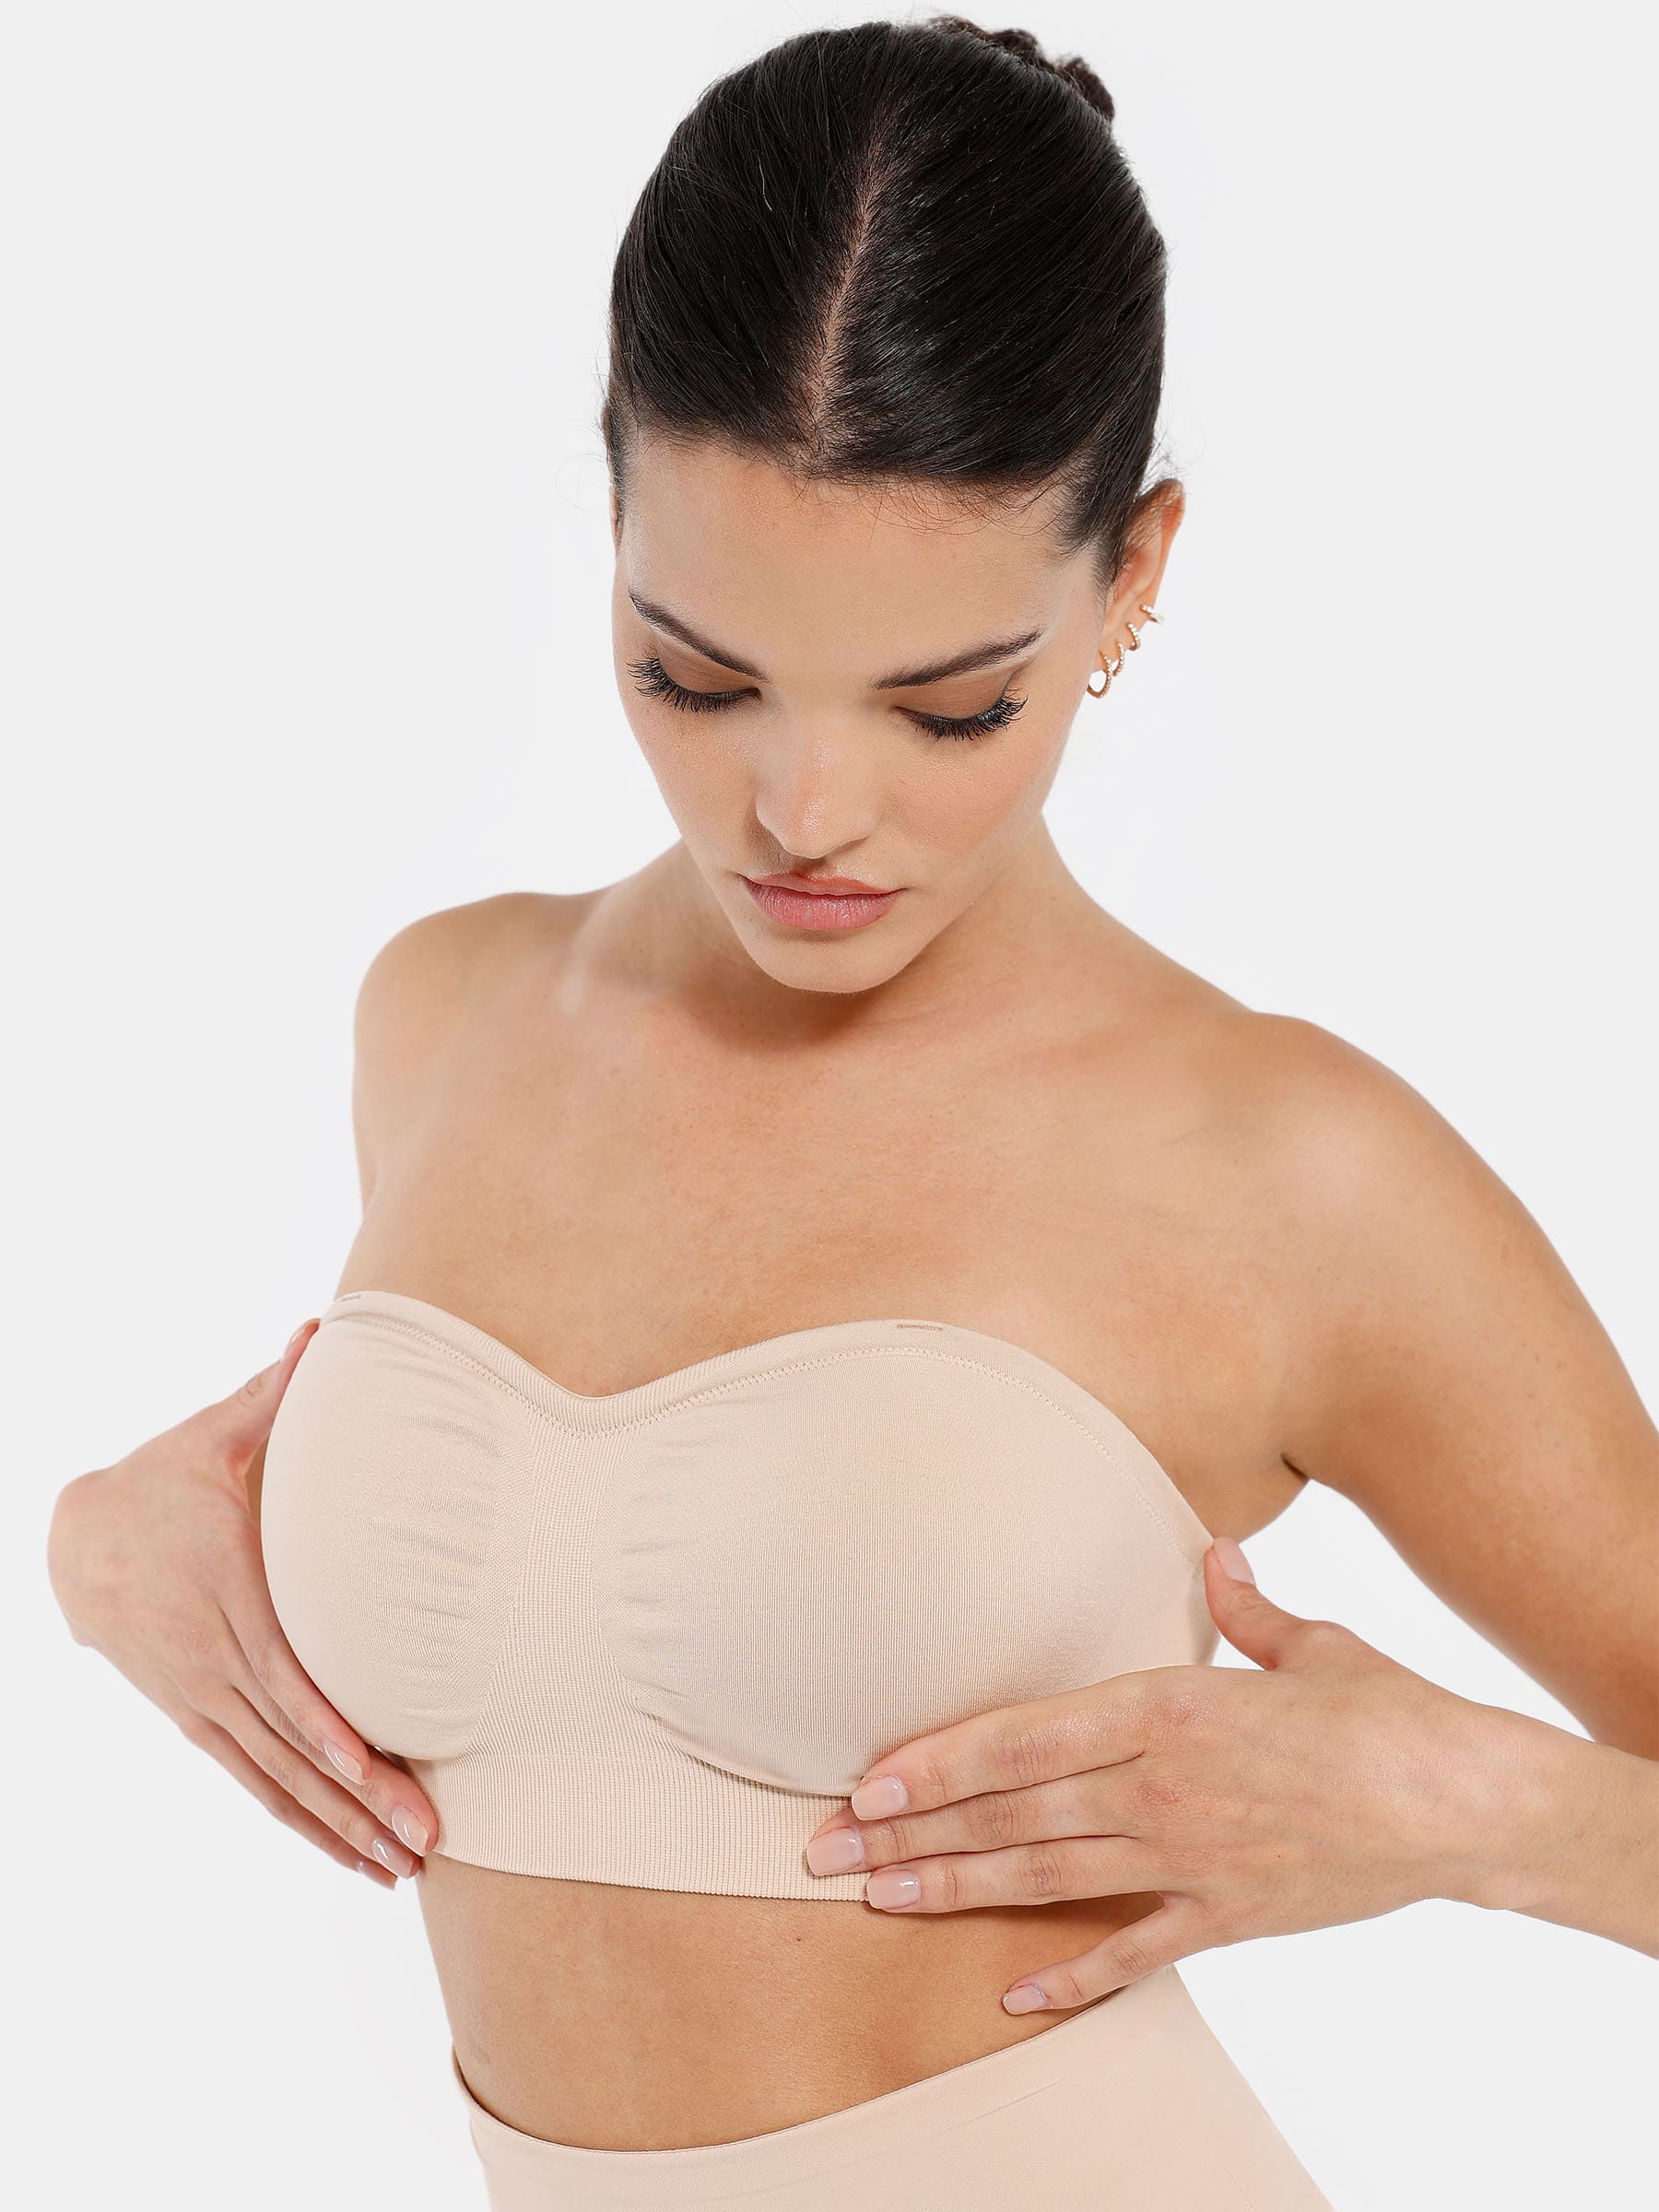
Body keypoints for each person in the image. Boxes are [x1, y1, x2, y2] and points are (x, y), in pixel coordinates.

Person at [45, 17, 1658, 2211]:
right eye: (696, 674)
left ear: (1134, 574)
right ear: (611, 514)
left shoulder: (1287, 1168)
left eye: (950, 706)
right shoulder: (444, 1016)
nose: (805, 813)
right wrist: (97, 1545)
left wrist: (1476, 1814)